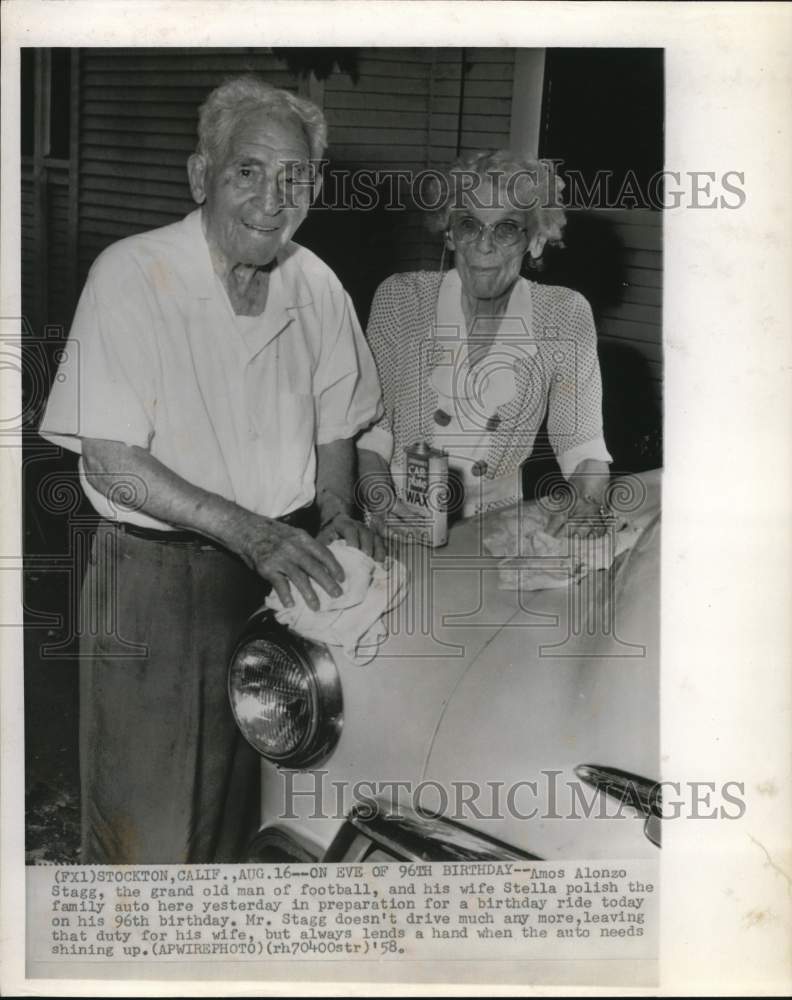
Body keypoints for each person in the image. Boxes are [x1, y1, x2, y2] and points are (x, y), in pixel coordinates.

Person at [39, 76, 383, 863]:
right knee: (150, 830)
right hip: (160, 583)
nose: (273, 197)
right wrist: (248, 532)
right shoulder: (132, 274)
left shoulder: (318, 286)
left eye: (294, 177)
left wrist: (334, 508)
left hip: (282, 578)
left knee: (261, 817)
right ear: (202, 175)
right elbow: (113, 462)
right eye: (248, 171)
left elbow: (340, 423)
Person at [356, 149, 612, 535]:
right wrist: (382, 505)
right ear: (449, 234)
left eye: (507, 228)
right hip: (398, 515)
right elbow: (373, 433)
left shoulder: (564, 313)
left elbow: (583, 446)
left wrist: (587, 503)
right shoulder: (401, 299)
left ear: (536, 241)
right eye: (468, 225)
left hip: (496, 524)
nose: (484, 245)